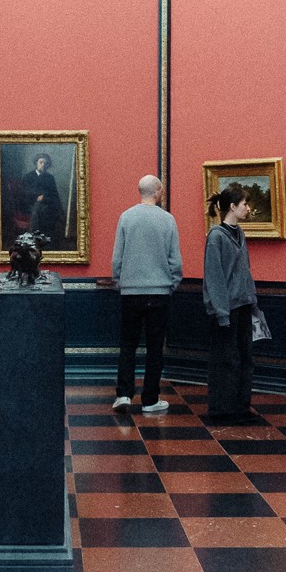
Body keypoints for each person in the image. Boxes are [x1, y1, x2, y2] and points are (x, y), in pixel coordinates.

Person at [110, 175, 182, 414]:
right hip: (159, 291)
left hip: (130, 292)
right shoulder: (167, 219)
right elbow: (175, 260)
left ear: (139, 191)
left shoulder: (126, 217)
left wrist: (121, 282)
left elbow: (117, 258)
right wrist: (172, 283)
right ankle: (150, 399)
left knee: (128, 344)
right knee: (154, 347)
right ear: (159, 191)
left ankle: (123, 395)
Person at [203, 182, 259, 424]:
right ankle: (222, 409)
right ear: (232, 207)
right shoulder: (216, 236)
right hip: (225, 309)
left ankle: (241, 407)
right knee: (227, 360)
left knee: (245, 358)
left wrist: (252, 300)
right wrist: (222, 312)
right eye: (245, 204)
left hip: (243, 305)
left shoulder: (240, 234)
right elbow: (214, 277)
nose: (247, 208)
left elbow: (244, 270)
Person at [21, 152, 64, 247]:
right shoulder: (28, 177)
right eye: (41, 162)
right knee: (38, 209)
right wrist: (36, 197)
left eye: (46, 163)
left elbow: (54, 194)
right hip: (30, 203)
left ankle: (46, 240)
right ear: (36, 163)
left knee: (51, 210)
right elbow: (24, 193)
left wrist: (46, 198)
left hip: (47, 203)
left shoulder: (50, 178)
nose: (43, 165)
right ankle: (33, 238)